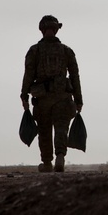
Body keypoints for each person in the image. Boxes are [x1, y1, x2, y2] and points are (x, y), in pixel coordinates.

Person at [20, 15, 82, 172]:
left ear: (42, 29)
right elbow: (75, 76)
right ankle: (60, 156)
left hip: (42, 99)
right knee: (61, 128)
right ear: (56, 29)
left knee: (44, 131)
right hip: (63, 97)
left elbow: (28, 75)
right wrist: (79, 99)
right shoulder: (67, 51)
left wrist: (24, 95)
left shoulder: (34, 51)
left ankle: (47, 163)